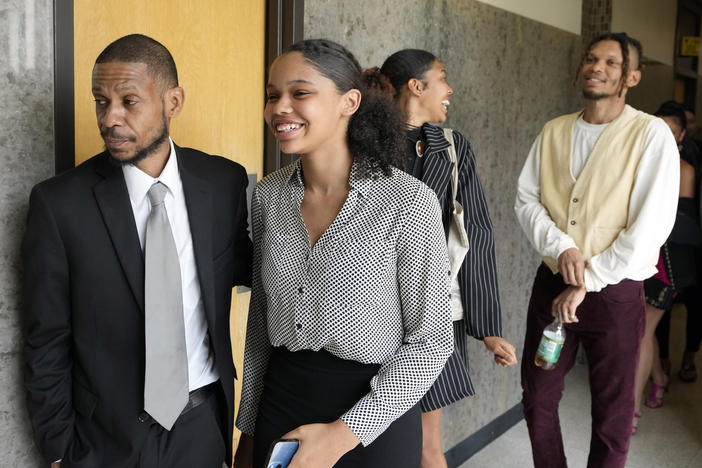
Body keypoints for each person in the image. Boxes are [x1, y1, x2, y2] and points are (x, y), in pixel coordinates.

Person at [23, 34, 252, 467]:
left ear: (173, 102)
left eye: (129, 101)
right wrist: (58, 450)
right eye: (100, 101)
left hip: (201, 429)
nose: (110, 118)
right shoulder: (59, 205)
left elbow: (261, 272)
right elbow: (45, 336)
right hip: (103, 439)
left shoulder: (223, 183)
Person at [233, 39, 454, 468]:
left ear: (349, 101)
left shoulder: (407, 202)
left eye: (300, 93)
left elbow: (431, 342)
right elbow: (260, 326)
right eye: (272, 95)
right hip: (281, 405)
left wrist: (343, 435)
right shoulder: (268, 197)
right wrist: (248, 431)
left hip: (376, 416)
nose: (280, 108)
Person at [514, 32, 679, 468]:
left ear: (632, 77)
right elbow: (526, 199)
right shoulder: (554, 131)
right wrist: (561, 245)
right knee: (538, 396)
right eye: (590, 58)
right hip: (553, 284)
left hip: (616, 291)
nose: (596, 67)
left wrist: (588, 278)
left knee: (613, 412)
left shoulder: (650, 134)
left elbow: (652, 225)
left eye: (610, 62)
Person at [366, 50, 517, 468]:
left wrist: (487, 328)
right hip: (367, 314)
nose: (449, 90)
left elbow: (477, 235)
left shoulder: (451, 148)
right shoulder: (362, 140)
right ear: (416, 86)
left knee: (427, 444)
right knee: (366, 438)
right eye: (442, 78)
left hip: (432, 315)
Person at [632, 101, 699, 432]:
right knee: (644, 327)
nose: (662, 136)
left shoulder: (684, 169)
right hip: (638, 255)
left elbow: (678, 225)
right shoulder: (639, 162)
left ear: (682, 134)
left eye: (671, 131)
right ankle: (658, 377)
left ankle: (629, 411)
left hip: (666, 260)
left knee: (643, 328)